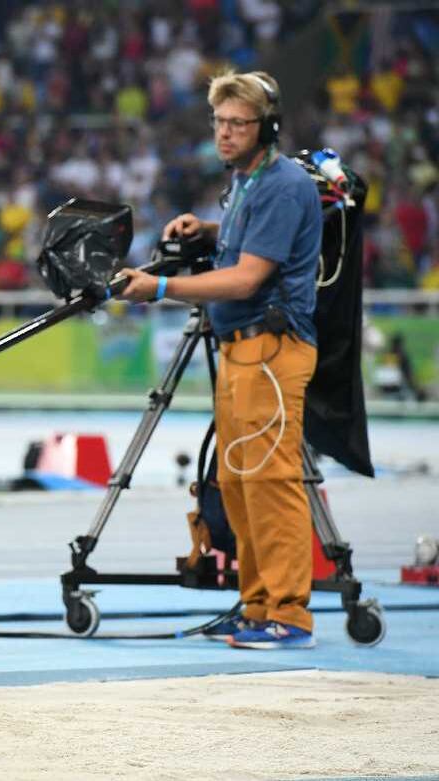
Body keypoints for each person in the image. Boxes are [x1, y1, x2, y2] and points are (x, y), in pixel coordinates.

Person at [119, 71, 322, 649]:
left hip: (271, 349)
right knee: (237, 483)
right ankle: (257, 604)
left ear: (268, 127)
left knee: (272, 483)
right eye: (220, 122)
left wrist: (161, 290)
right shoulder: (245, 182)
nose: (225, 134)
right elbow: (244, 245)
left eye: (238, 123)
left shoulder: (282, 184)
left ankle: (289, 614)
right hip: (242, 351)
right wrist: (209, 230)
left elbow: (248, 278)